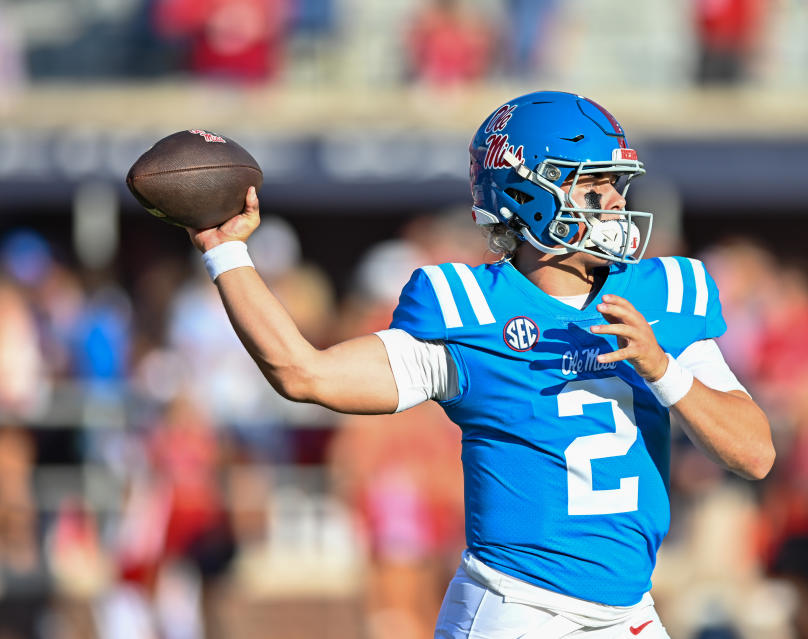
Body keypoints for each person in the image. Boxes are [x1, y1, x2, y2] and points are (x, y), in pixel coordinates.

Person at [183, 91, 774, 638]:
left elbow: (754, 454)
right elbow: (303, 373)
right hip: (518, 611)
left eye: (619, 183)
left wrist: (662, 369)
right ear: (529, 193)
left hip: (630, 613)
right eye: (596, 183)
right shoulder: (467, 309)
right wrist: (225, 250)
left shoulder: (665, 294)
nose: (617, 201)